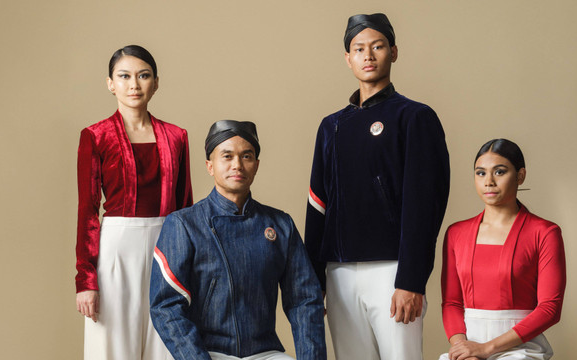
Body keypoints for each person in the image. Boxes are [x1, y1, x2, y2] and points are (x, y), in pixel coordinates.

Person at [305, 13, 450, 360]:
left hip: (392, 271)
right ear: (348, 58)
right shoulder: (331, 126)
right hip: (338, 273)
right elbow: (317, 206)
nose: (368, 55)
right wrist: (313, 284)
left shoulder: (414, 117)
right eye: (359, 49)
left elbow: (424, 205)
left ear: (394, 52)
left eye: (377, 46)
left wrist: (411, 280)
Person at [150, 120, 326, 360]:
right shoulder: (183, 224)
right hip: (208, 352)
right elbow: (166, 307)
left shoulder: (280, 224)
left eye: (246, 156)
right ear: (209, 165)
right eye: (227, 156)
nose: (237, 165)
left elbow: (305, 301)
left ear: (256, 165)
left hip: (266, 353)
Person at [75, 45, 193, 359]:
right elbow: (87, 212)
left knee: (166, 337)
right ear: (110, 83)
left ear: (156, 82)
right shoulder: (95, 136)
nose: (134, 85)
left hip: (167, 245)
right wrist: (86, 279)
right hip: (116, 248)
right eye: (124, 76)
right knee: (113, 341)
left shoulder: (177, 136)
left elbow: (185, 208)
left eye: (143, 76)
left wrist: (192, 269)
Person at [439, 139, 566, 360]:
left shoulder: (544, 233)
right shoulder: (456, 233)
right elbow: (451, 302)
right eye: (480, 173)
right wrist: (464, 349)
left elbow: (550, 308)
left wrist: (486, 349)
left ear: (520, 176)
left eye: (499, 172)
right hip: (467, 345)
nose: (488, 181)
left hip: (521, 347)